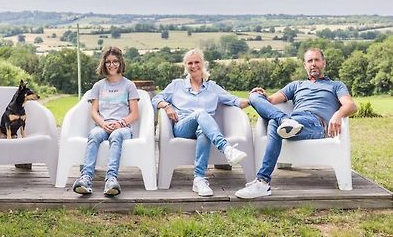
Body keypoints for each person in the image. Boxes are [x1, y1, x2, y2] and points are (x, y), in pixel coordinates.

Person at [235, 47, 357, 199]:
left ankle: (263, 182)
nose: (313, 64)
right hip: (292, 122)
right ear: (305, 65)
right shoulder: (296, 85)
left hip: (314, 123)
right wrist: (259, 96)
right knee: (255, 97)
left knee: (275, 122)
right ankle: (284, 121)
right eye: (309, 61)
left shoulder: (336, 85)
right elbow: (270, 101)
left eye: (316, 60)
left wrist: (338, 114)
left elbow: (351, 105)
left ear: (323, 63)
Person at [152, 48, 250, 197]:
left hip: (203, 129)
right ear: (185, 66)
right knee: (200, 112)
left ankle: (199, 179)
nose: (193, 66)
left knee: (203, 131)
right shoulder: (176, 85)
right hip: (182, 127)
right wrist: (166, 106)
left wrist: (253, 99)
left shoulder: (213, 88)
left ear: (203, 64)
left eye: (197, 62)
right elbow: (155, 99)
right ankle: (226, 148)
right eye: (190, 63)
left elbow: (235, 100)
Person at [72, 46, 139, 196]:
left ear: (120, 63)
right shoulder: (98, 86)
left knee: (116, 136)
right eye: (108, 62)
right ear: (104, 64)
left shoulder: (129, 85)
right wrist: (103, 123)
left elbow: (134, 114)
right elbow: (94, 112)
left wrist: (119, 124)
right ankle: (86, 178)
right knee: (94, 135)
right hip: (103, 125)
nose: (111, 64)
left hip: (123, 128)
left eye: (115, 61)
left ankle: (111, 179)